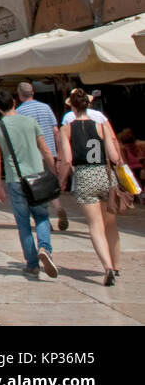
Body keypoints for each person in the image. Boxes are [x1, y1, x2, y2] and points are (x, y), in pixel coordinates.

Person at [0, 91, 59, 279]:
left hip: (15, 180)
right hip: (37, 176)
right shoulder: (30, 122)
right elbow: (44, 149)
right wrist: (54, 170)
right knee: (42, 216)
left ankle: (32, 264)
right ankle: (44, 247)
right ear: (14, 102)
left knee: (23, 223)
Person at [57, 88, 122, 286]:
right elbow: (114, 156)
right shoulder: (101, 124)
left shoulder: (66, 128)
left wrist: (61, 180)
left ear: (72, 107)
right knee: (110, 223)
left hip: (85, 176)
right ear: (88, 103)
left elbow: (67, 159)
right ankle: (117, 265)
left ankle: (107, 266)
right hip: (105, 174)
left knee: (95, 226)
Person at [16, 82, 68, 231]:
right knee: (50, 184)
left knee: (36, 187)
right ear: (33, 92)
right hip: (50, 152)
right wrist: (58, 153)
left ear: (19, 95)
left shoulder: (19, 112)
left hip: (32, 154)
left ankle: (45, 219)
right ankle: (58, 207)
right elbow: (56, 131)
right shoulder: (46, 107)